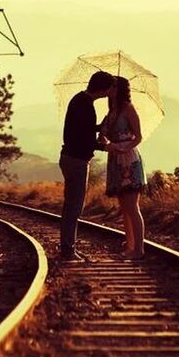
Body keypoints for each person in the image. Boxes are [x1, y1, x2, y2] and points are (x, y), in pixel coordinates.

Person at [59, 71, 115, 261]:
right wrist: (106, 147)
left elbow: (82, 130)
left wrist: (100, 127)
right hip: (77, 160)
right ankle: (68, 250)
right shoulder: (86, 105)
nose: (109, 93)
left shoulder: (80, 101)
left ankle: (68, 247)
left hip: (69, 157)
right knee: (74, 207)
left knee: (71, 205)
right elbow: (83, 139)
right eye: (108, 89)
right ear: (102, 88)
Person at [101, 77, 147, 259]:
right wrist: (105, 142)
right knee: (124, 207)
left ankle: (139, 249)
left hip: (128, 158)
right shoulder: (111, 111)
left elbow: (138, 137)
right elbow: (103, 135)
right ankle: (130, 246)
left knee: (132, 206)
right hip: (115, 159)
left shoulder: (128, 108)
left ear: (118, 89)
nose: (109, 89)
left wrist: (123, 147)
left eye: (112, 86)